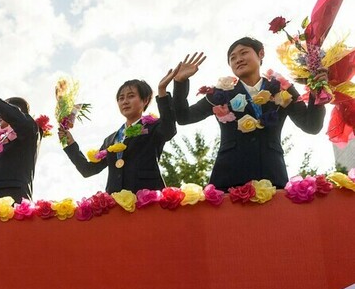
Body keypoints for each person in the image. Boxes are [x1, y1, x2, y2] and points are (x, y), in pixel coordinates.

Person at [172, 37, 327, 190]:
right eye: (232, 58)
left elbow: (312, 126)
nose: (238, 59)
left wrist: (317, 92)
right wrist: (180, 83)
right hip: (227, 180)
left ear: (261, 54)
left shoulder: (283, 89)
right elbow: (184, 117)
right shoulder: (220, 93)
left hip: (273, 178)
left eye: (243, 53)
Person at [59, 69, 179, 193]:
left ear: (145, 100)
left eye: (131, 96)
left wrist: (162, 91)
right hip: (116, 201)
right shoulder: (111, 140)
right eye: (121, 98)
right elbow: (88, 170)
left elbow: (169, 129)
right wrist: (71, 143)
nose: (125, 101)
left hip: (147, 199)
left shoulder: (152, 127)